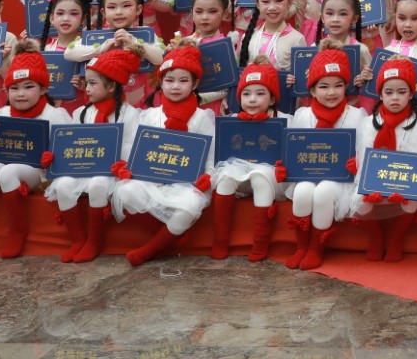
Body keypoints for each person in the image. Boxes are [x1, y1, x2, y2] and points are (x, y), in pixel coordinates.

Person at [0, 40, 73, 258]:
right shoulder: (3, 114)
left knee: (8, 171)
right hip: (6, 167)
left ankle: (18, 230)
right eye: (14, 88)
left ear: (43, 88)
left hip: (38, 174)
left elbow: (68, 151)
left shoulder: (55, 115)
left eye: (28, 87)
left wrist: (54, 157)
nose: (20, 93)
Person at [115, 45, 217, 267]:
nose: (176, 86)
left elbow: (210, 158)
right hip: (153, 178)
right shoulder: (149, 115)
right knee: (126, 191)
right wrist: (127, 166)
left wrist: (209, 176)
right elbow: (138, 151)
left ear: (195, 84)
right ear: (161, 82)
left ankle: (151, 249)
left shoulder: (202, 118)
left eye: (183, 80)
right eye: (169, 80)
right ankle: (170, 238)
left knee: (190, 205)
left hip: (187, 182)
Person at [44, 45, 144, 263]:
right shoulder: (81, 112)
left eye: (92, 83)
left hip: (111, 170)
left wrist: (118, 159)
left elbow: (132, 144)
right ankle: (78, 239)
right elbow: (70, 143)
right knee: (63, 184)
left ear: (111, 86)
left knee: (98, 183)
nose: (86, 88)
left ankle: (94, 241)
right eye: (86, 82)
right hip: (84, 167)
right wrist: (56, 156)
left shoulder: (128, 113)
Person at [282, 47, 369, 271]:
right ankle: (301, 246)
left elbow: (364, 149)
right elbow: (293, 149)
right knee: (302, 191)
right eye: (323, 86)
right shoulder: (303, 115)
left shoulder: (357, 116)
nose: (331, 92)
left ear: (346, 87)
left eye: (338, 85)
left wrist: (358, 163)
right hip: (309, 174)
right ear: (312, 90)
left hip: (341, 179)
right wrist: (286, 167)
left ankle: (315, 248)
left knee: (323, 192)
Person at [352, 57, 417, 262]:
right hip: (375, 180)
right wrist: (370, 187)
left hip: (404, 181)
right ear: (380, 94)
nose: (395, 98)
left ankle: (397, 238)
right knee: (358, 200)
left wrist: (402, 186)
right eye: (388, 92)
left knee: (413, 199)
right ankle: (376, 237)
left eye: (401, 92)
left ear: (411, 93)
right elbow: (365, 160)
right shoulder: (368, 122)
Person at [208, 63, 285, 262]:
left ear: (272, 98)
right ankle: (220, 240)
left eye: (260, 93)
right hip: (240, 171)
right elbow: (218, 153)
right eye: (246, 94)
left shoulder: (286, 121)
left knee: (260, 176)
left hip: (269, 177)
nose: (252, 99)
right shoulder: (230, 121)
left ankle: (260, 243)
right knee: (226, 176)